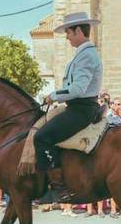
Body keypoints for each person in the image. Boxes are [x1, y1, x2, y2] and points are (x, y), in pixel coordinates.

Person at [34, 12, 103, 198]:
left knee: (41, 137)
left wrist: (54, 95)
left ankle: (58, 187)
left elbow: (78, 89)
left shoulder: (86, 55)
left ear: (79, 30)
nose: (67, 36)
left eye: (69, 33)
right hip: (77, 107)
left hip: (82, 109)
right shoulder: (82, 54)